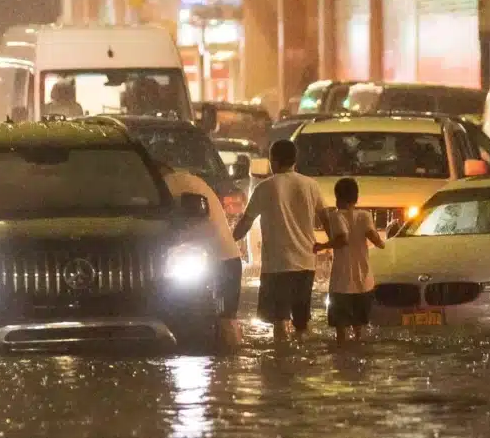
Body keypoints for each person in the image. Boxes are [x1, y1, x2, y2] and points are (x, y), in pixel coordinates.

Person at [232, 139, 334, 343]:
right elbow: (325, 218)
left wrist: (228, 242)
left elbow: (246, 222)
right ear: (295, 161)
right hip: (306, 264)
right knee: (302, 324)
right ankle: (301, 362)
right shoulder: (311, 185)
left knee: (279, 321)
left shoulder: (265, 187)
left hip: (277, 266)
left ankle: (282, 364)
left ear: (273, 161)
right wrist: (332, 245)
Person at [159, 161, 244, 348]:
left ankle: (229, 363)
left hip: (215, 263)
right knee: (227, 320)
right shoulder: (191, 179)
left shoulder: (168, 185)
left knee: (223, 322)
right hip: (228, 259)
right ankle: (231, 367)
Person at [315, 177, 385, 346]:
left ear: (337, 198)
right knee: (359, 332)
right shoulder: (365, 216)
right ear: (356, 198)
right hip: (364, 282)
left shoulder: (336, 216)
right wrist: (384, 238)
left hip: (342, 283)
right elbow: (378, 242)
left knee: (341, 334)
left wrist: (322, 246)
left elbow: (342, 239)